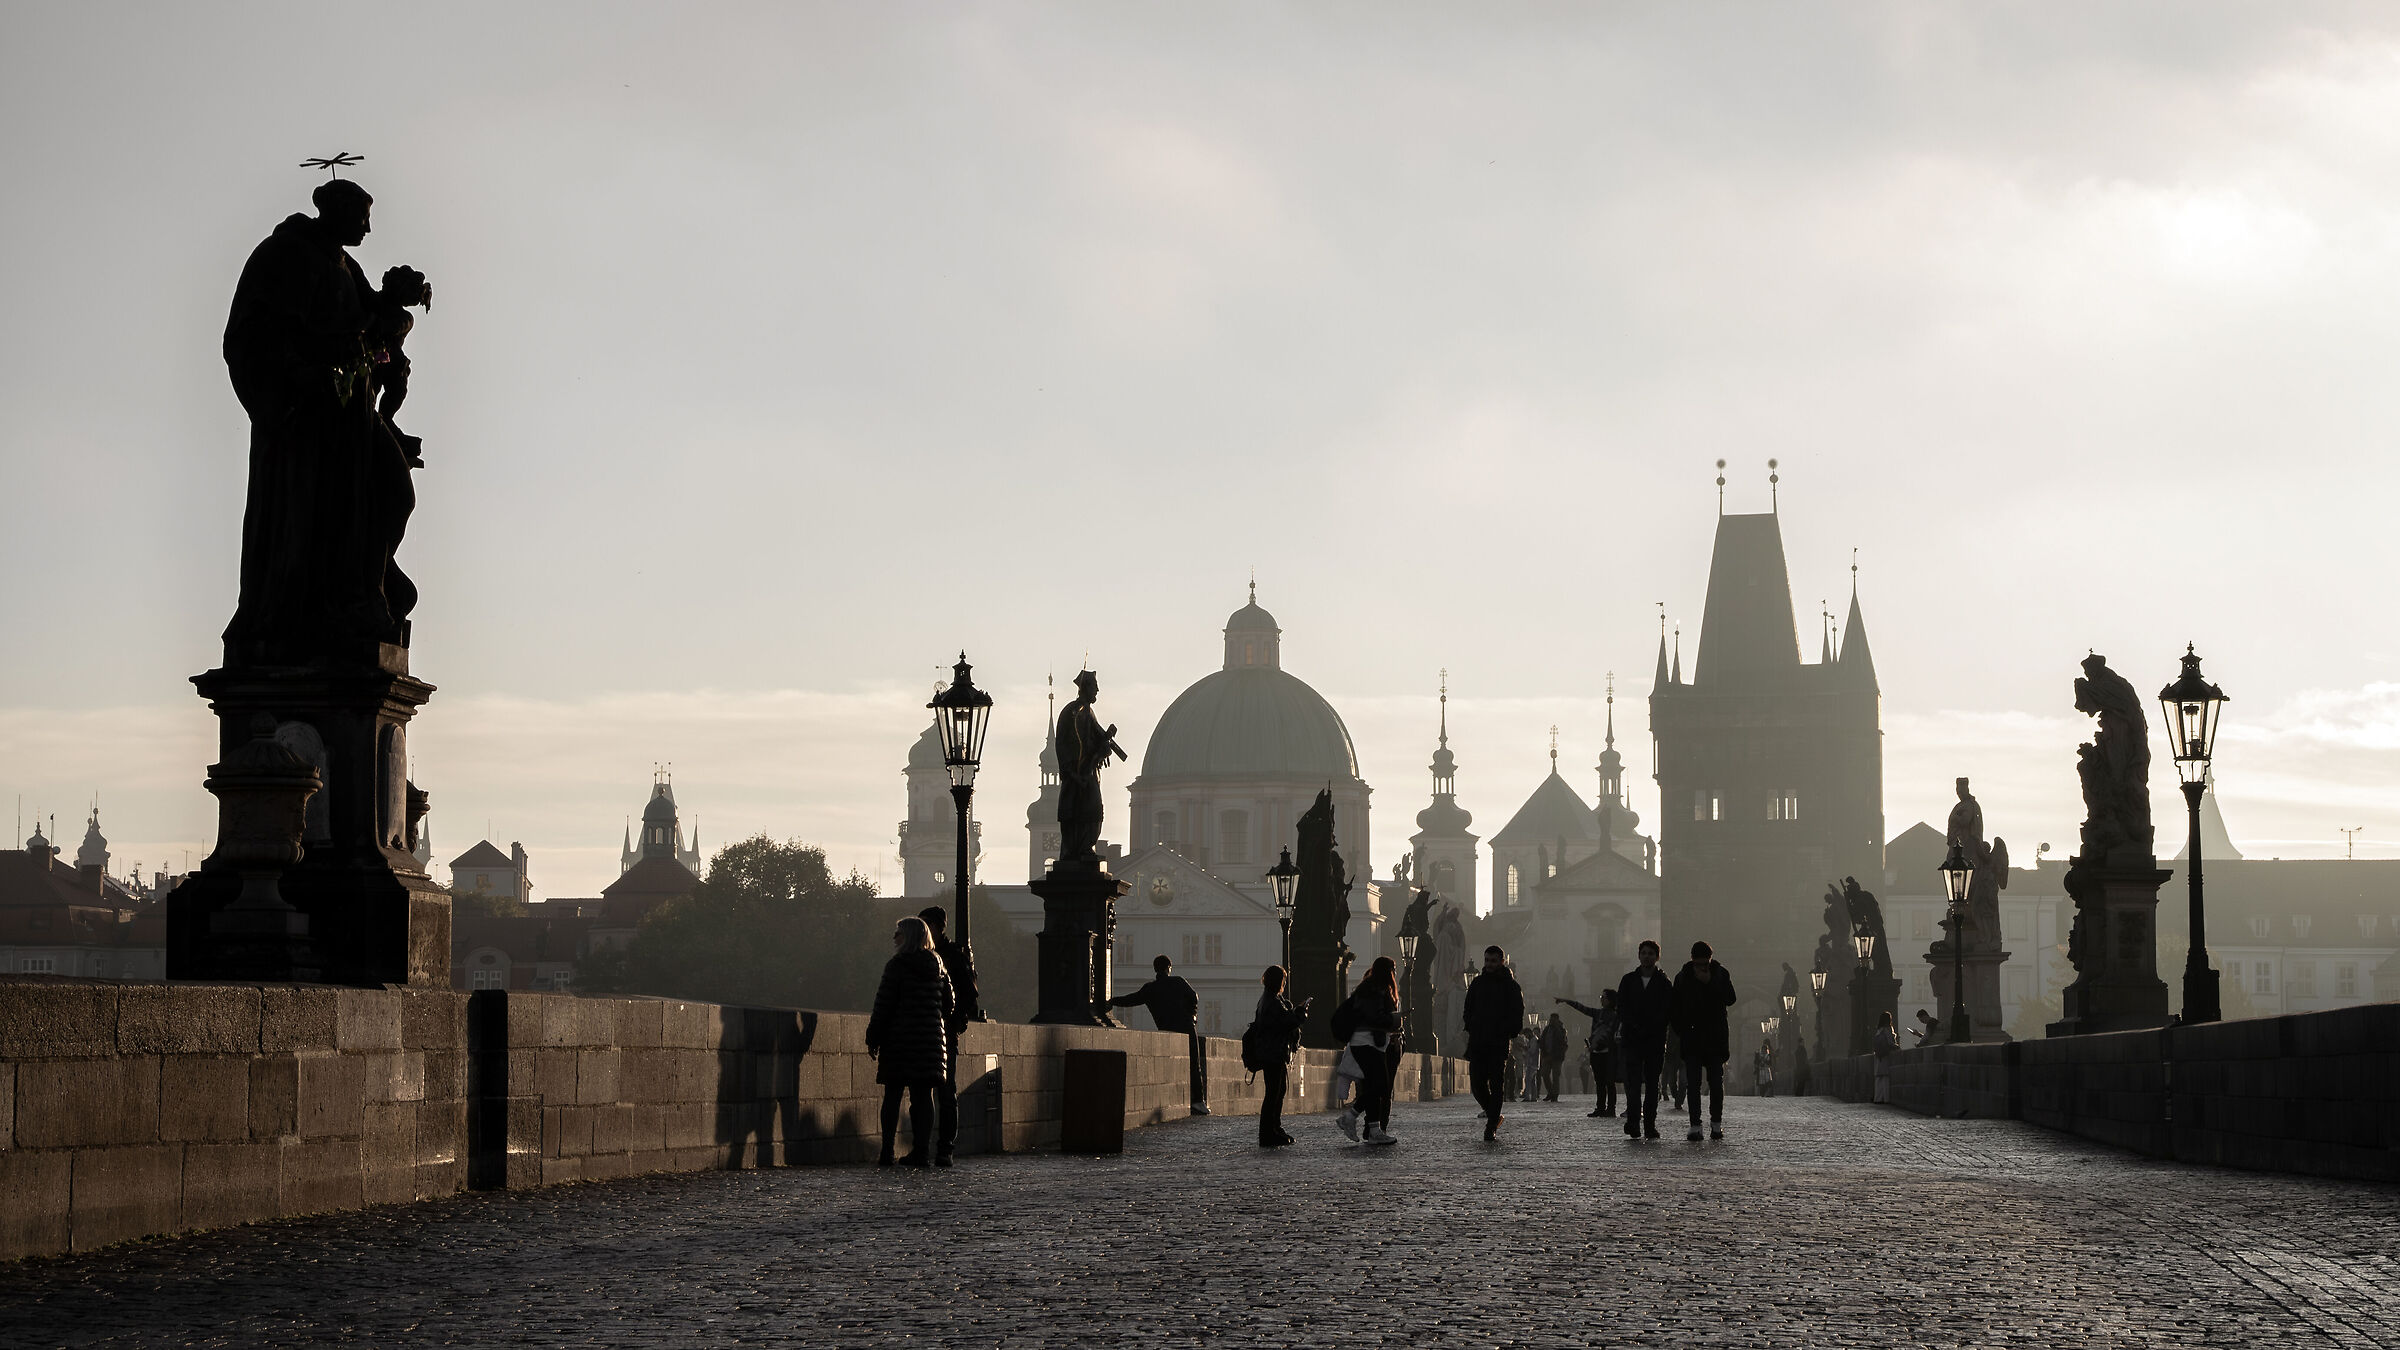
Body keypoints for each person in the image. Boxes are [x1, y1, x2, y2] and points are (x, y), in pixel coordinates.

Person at [866, 917, 956, 1168]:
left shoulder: (897, 966)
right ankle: (921, 1152)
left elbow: (883, 1005)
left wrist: (873, 1037)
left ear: (908, 937)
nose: (894, 937)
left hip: (899, 1040)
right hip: (929, 1041)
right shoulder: (938, 966)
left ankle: (887, 1151)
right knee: (923, 1096)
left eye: (898, 933)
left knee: (893, 1095)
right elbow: (949, 1005)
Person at [1104, 955, 1208, 1115]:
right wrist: (1192, 1015)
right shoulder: (1179, 981)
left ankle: (1179, 1101)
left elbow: (1131, 1000)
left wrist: (1111, 1001)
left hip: (1166, 1028)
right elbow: (1194, 997)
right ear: (1169, 968)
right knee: (1194, 1064)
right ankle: (1198, 1102)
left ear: (1155, 969)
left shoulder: (1150, 988)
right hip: (1186, 1027)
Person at [916, 907, 978, 1165]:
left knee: (945, 1091)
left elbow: (968, 995)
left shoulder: (951, 956)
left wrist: (955, 1021)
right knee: (925, 1091)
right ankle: (928, 1148)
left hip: (944, 1032)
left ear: (938, 927)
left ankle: (944, 1148)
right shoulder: (930, 954)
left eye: (927, 924)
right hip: (929, 1030)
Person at [1332, 957, 1404, 1145]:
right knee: (1380, 1085)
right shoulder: (1375, 990)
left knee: (1373, 1085)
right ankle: (1350, 1117)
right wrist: (1393, 1019)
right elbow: (1374, 1018)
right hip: (1366, 1043)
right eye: (1393, 969)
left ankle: (1373, 1130)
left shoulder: (1368, 988)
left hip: (1368, 1043)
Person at [1671, 940, 1737, 1141]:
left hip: (1715, 1038)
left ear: (1710, 959)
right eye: (1699, 964)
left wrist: (1710, 982)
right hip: (1692, 1038)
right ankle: (1695, 1125)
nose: (1702, 967)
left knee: (1716, 1083)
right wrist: (1682, 1030)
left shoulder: (1720, 974)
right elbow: (1675, 1008)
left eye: (1705, 963)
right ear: (1692, 960)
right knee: (1693, 1083)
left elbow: (1731, 998)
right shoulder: (1682, 977)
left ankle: (1716, 1124)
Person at [1461, 945, 1525, 1141]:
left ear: (1501, 962)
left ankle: (1490, 1127)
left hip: (1498, 1042)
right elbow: (1468, 1008)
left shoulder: (1511, 986)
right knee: (1477, 1085)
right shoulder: (1477, 983)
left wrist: (1507, 1031)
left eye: (1493, 961)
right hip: (1478, 1041)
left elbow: (1517, 1013)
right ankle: (1494, 1116)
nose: (1489, 964)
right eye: (1487, 960)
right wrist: (1471, 1025)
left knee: (1497, 1085)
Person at [1615, 940, 1674, 1140]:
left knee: (1651, 1083)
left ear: (1657, 957)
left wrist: (1652, 1027)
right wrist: (1634, 1025)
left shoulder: (1664, 983)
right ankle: (1633, 1121)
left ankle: (1649, 1124)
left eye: (1651, 953)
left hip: (1654, 1040)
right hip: (1632, 1039)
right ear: (1639, 956)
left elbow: (1667, 1011)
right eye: (1644, 953)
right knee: (1632, 1083)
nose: (1647, 956)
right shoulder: (1628, 980)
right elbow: (1621, 1008)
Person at [1250, 966, 1308, 1147]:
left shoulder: (1268, 999)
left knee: (1277, 1092)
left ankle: (1274, 1129)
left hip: (1272, 1052)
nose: (1284, 983)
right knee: (1273, 1094)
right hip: (1273, 1053)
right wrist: (1300, 1013)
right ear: (1278, 981)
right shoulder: (1272, 1001)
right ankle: (1268, 1133)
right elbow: (1287, 1022)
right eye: (1283, 980)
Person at [1555, 991, 1619, 1117]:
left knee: (1609, 1082)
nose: (1601, 999)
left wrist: (1597, 1043)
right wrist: (1566, 1001)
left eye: (1603, 997)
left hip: (1607, 1052)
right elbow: (1582, 1008)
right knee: (1600, 1082)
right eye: (1601, 997)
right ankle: (1600, 1108)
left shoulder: (1614, 1016)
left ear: (1610, 1000)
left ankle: (1611, 1109)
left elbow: (1608, 1032)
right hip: (1596, 1052)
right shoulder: (1598, 1013)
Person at [1538, 1012, 1568, 1102]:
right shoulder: (1547, 1029)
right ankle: (1550, 1092)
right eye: (1551, 1019)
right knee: (1544, 1074)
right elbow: (1543, 1040)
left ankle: (1554, 1094)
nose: (1551, 1021)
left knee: (1555, 1076)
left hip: (1556, 1057)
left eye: (1553, 1019)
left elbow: (1563, 1043)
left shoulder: (1561, 1030)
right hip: (1547, 1055)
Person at [1872, 1010, 1899, 1103]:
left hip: (1878, 1055)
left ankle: (1877, 1098)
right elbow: (1890, 1042)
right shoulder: (1887, 1029)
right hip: (1885, 1055)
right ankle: (1886, 1099)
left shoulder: (1879, 1030)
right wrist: (1896, 1046)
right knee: (1885, 1077)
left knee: (1879, 1078)